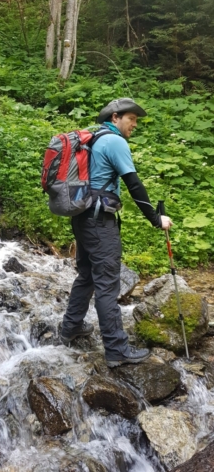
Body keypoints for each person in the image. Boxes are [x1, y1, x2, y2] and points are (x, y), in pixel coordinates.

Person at [61, 98, 173, 367]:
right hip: (100, 223)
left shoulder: (93, 138)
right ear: (115, 117)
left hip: (83, 217)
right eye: (131, 118)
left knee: (87, 275)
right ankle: (116, 349)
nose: (134, 124)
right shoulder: (114, 141)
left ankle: (70, 328)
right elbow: (133, 184)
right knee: (108, 284)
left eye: (135, 119)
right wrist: (156, 220)